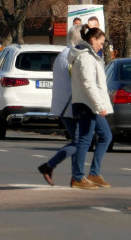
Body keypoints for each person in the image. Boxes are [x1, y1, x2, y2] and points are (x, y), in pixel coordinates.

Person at [37, 25, 83, 186]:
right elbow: (78, 82)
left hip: (65, 105)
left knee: (78, 141)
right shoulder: (73, 56)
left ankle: (76, 176)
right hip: (72, 106)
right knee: (79, 142)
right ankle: (50, 166)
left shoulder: (64, 54)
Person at [69, 25, 114, 189]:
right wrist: (98, 105)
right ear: (92, 39)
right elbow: (88, 84)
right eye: (100, 43)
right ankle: (78, 177)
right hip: (88, 104)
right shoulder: (85, 57)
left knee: (105, 136)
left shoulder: (90, 56)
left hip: (90, 104)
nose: (101, 46)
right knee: (86, 139)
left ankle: (93, 174)